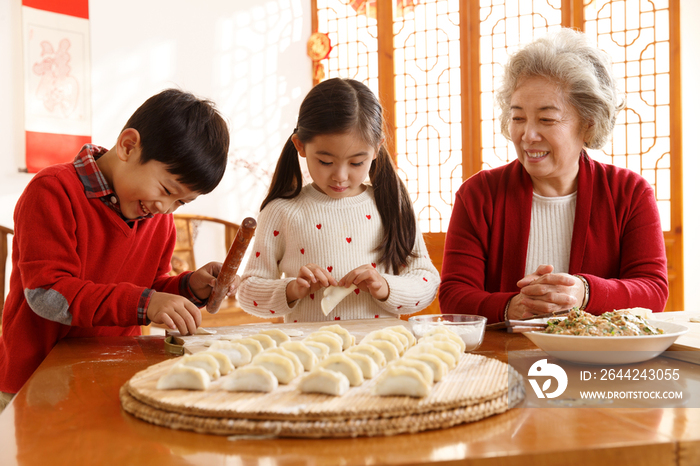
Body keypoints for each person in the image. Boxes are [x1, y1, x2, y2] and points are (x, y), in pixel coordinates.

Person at [0, 88, 235, 410]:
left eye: (180, 202)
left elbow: (147, 288)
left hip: (114, 375)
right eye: (166, 190)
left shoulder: (158, 219)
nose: (166, 208)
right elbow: (49, 294)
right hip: (38, 382)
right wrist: (147, 302)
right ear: (128, 146)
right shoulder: (53, 191)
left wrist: (187, 286)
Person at [439, 28, 668, 323]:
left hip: (595, 363)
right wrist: (512, 306)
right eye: (518, 117)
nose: (527, 134)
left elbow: (653, 290)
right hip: (500, 363)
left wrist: (584, 292)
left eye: (546, 119)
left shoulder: (629, 192)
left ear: (588, 123)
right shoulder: (478, 194)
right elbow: (454, 295)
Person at [237, 78, 440, 322]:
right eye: (325, 161)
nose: (340, 176)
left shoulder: (390, 205)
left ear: (376, 149)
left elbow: (426, 282)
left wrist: (385, 287)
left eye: (356, 163)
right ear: (300, 145)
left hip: (381, 354)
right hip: (309, 355)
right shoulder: (281, 211)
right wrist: (292, 289)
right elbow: (247, 291)